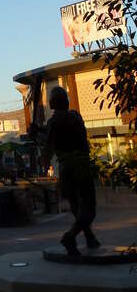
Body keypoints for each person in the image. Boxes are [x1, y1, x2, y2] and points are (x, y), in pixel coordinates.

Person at [30, 86, 99, 256]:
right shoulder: (74, 116)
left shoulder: (55, 122)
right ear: (65, 102)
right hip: (80, 168)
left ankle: (80, 236)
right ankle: (80, 236)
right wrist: (38, 131)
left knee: (79, 207)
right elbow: (53, 134)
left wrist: (36, 133)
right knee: (87, 208)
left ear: (52, 104)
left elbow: (48, 145)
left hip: (68, 169)